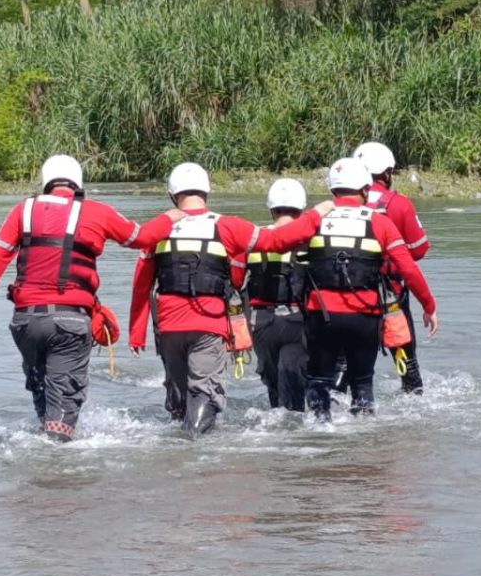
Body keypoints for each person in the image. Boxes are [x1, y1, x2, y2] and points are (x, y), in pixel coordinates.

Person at [0, 155, 182, 442]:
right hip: (69, 322)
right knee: (64, 398)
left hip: (25, 323)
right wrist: (169, 217)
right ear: (78, 184)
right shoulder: (97, 212)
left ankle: (44, 446)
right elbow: (141, 238)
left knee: (41, 387)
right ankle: (59, 462)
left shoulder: (23, 210)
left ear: (46, 183)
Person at [129, 163, 333, 439]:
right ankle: (195, 443)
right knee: (204, 393)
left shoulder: (158, 230)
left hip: (168, 327)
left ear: (172, 195)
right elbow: (276, 240)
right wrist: (314, 216)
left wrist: (136, 333)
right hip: (208, 325)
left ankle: (178, 455)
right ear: (207, 193)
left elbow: (142, 283)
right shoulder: (227, 226)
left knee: (178, 397)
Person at [303, 158, 438, 422]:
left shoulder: (315, 218)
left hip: (322, 313)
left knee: (321, 378)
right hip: (371, 308)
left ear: (333, 188)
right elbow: (412, 262)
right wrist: (429, 306)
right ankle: (370, 433)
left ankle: (321, 427)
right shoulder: (388, 213)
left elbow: (274, 241)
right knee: (369, 379)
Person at [353, 141, 432, 394]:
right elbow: (418, 251)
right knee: (408, 368)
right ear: (387, 173)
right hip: (391, 296)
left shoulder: (340, 206)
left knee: (346, 367)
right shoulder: (399, 204)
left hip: (348, 295)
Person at [247, 179, 310, 412]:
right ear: (301, 209)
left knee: (273, 385)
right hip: (298, 321)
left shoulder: (254, 239)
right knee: (295, 386)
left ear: (272, 209)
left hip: (261, 323)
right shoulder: (310, 240)